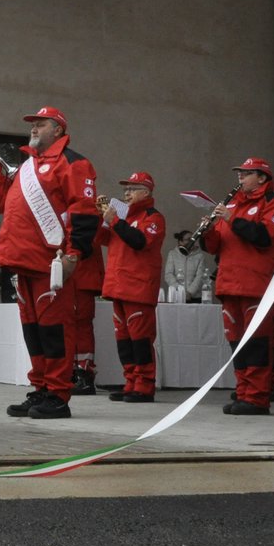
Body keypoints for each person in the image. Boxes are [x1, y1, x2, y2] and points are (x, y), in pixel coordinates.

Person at [0, 105, 99, 421]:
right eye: (32, 124)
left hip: (51, 263)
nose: (33, 128)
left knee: (54, 331)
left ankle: (59, 395)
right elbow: (2, 204)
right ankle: (41, 388)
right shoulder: (26, 167)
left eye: (41, 124)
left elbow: (85, 211)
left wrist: (74, 254)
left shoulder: (74, 163)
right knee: (33, 332)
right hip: (20, 262)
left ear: (58, 130)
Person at [202, 157, 274, 415]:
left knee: (256, 343)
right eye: (239, 173)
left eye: (246, 174)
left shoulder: (273, 202)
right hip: (229, 283)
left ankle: (257, 397)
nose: (239, 178)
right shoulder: (231, 204)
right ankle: (243, 392)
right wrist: (207, 232)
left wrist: (231, 218)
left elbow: (263, 238)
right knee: (236, 342)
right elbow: (215, 246)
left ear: (261, 177)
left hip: (256, 284)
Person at [95, 171, 165, 402]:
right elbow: (101, 240)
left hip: (138, 288)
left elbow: (140, 241)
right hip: (118, 287)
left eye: (132, 189)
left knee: (140, 340)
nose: (126, 193)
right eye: (125, 189)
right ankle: (131, 382)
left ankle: (145, 385)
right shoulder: (122, 217)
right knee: (124, 341)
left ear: (146, 192)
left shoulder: (153, 217)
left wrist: (114, 220)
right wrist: (101, 218)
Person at [68, 211, 105, 395]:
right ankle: (76, 372)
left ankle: (84, 373)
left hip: (81, 277)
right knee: (73, 327)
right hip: (76, 277)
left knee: (81, 327)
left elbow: (84, 245)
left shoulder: (86, 211)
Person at [163, 230, 212, 303]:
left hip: (195, 297)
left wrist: (190, 292)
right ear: (180, 242)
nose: (191, 241)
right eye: (188, 239)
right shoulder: (172, 254)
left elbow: (200, 275)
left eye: (193, 239)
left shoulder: (200, 256)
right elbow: (168, 274)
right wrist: (180, 291)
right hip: (177, 296)